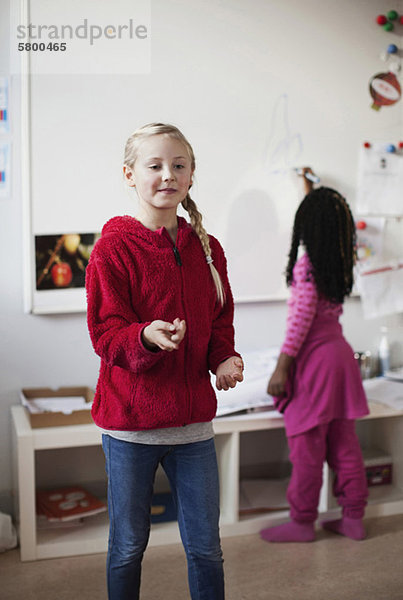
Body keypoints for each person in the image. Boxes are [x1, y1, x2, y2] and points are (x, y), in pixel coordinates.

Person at [86, 123, 244, 599]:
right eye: (154, 165)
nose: (167, 175)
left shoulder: (208, 248)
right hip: (131, 428)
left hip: (193, 428)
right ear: (130, 175)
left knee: (205, 549)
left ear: (192, 175)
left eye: (178, 165)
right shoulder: (113, 247)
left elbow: (218, 321)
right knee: (128, 546)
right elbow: (106, 333)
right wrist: (146, 338)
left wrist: (224, 359)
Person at [260, 170, 369, 544]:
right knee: (344, 442)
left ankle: (302, 521)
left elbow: (301, 318)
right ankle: (353, 518)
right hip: (341, 356)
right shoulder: (339, 264)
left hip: (318, 362)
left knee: (307, 445)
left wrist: (281, 366)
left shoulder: (308, 266)